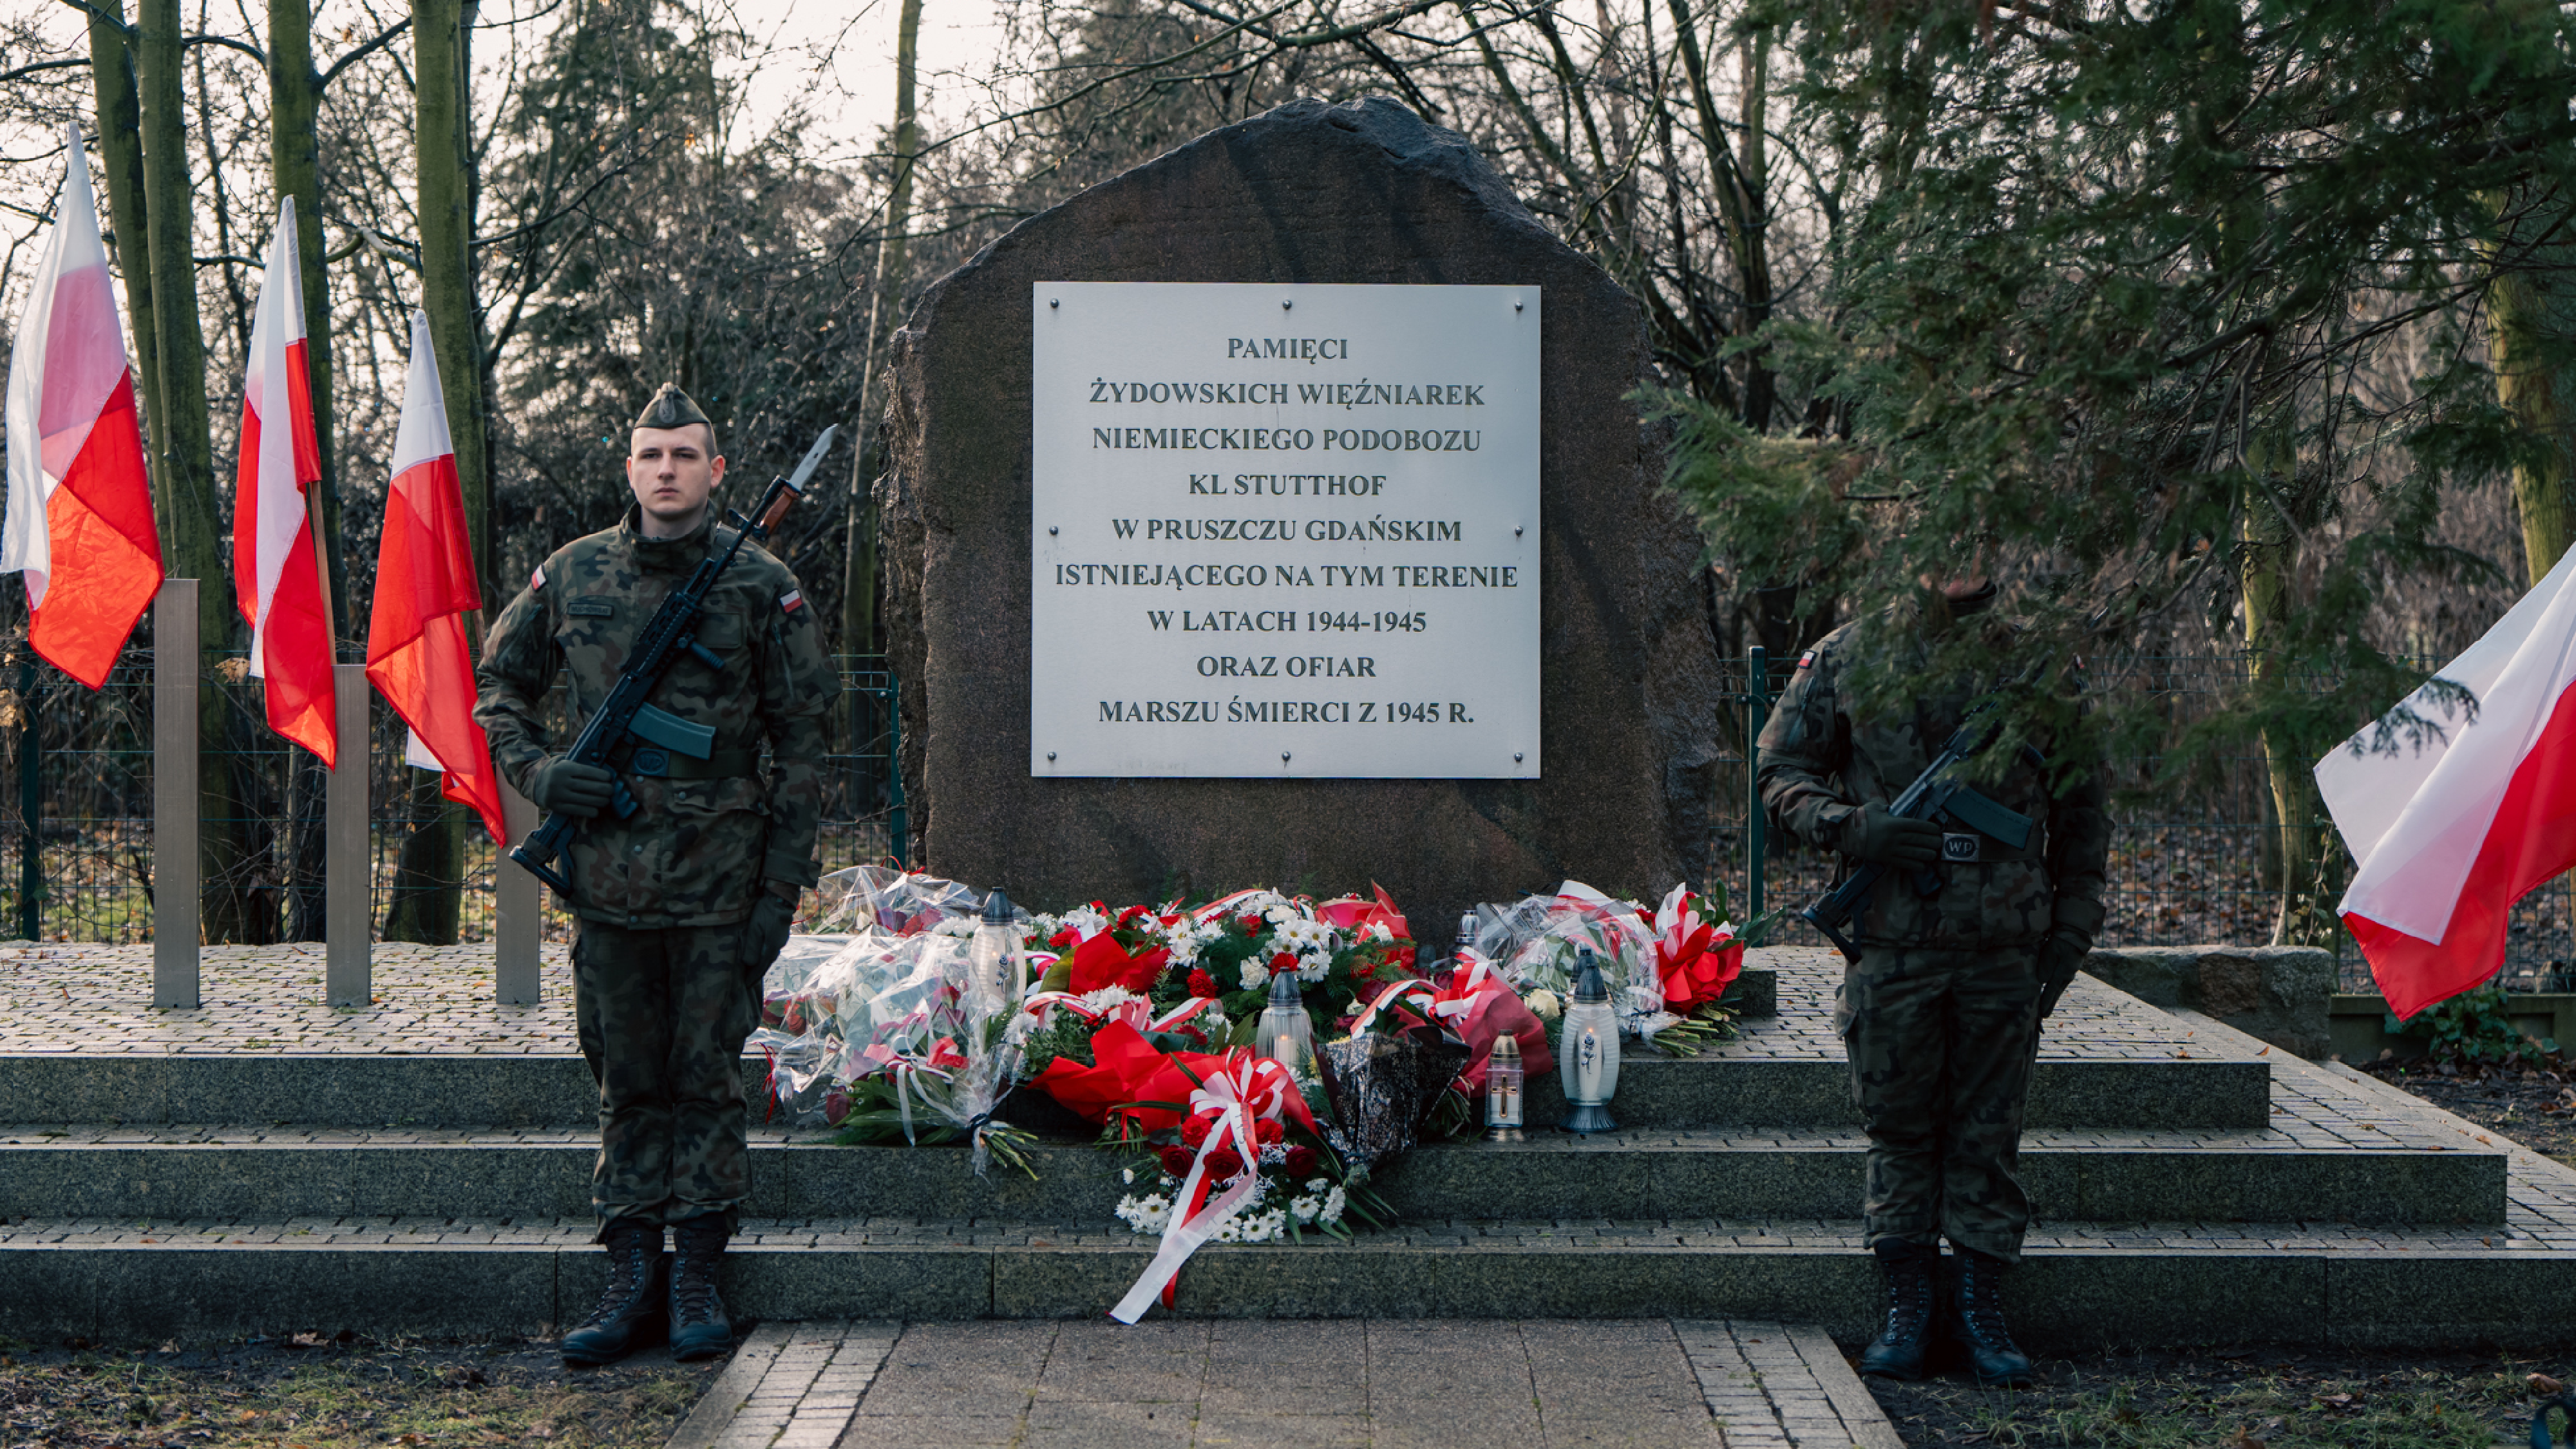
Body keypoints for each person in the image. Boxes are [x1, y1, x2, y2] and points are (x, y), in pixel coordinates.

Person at [475, 383, 834, 1366]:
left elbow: (803, 750)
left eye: (686, 454)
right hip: (607, 881)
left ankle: (698, 1275)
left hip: (723, 885)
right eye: (651, 454)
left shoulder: (762, 585)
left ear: (717, 471)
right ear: (629, 468)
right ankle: (631, 1270)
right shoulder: (572, 571)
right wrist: (544, 773)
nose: (667, 469)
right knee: (626, 1076)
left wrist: (779, 892)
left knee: (708, 1075)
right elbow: (497, 686)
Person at [1755, 580, 2108, 1386]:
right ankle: (1907, 1303)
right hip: (1891, 938)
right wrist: (1849, 826)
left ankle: (1981, 1306)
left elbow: (2083, 810)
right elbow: (1778, 770)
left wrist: (2072, 929)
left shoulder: (2042, 665)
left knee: (1988, 1133)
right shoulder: (1849, 655)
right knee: (1899, 1127)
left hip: (2004, 945)